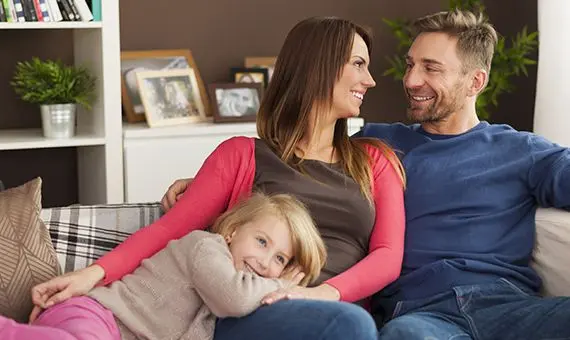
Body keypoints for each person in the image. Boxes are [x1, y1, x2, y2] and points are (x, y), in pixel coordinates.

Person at [164, 9, 570, 340]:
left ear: (475, 82)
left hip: (508, 306)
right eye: (411, 65)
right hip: (420, 315)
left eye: (431, 68)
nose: (411, 81)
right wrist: (205, 184)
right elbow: (299, 163)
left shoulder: (523, 151)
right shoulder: (374, 148)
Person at [29, 16, 406, 340]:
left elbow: (388, 257)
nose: (370, 80)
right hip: (248, 311)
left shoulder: (374, 161)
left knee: (352, 324)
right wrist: (90, 275)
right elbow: (169, 231)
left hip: (334, 309)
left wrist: (323, 293)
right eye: (358, 64)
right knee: (352, 327)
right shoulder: (242, 155)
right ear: (320, 65)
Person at [1, 193, 326, 340]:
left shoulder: (239, 289)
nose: (265, 262)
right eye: (262, 242)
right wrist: (285, 286)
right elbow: (235, 297)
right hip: (97, 314)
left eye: (280, 260)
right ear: (232, 231)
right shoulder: (205, 247)